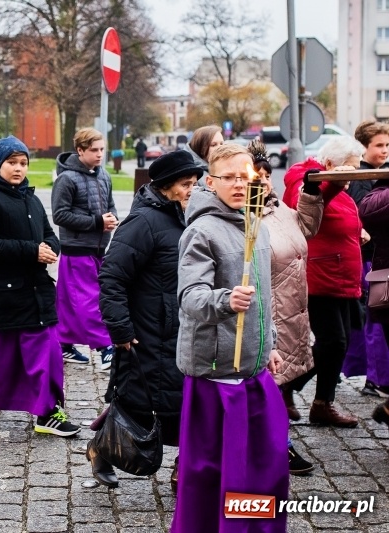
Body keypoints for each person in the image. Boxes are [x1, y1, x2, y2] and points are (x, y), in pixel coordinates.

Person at [171, 143, 288, 533]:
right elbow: (190, 297)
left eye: (245, 176)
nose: (239, 184)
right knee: (220, 471)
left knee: (265, 464)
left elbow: (264, 297)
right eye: (229, 178)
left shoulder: (258, 225)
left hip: (253, 369)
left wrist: (268, 343)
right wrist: (225, 299)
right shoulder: (201, 231)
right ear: (211, 181)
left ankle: (254, 527)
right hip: (218, 374)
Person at [94, 149, 203, 489]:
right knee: (139, 404)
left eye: (195, 183)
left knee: (183, 405)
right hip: (145, 334)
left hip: (182, 331)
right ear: (166, 186)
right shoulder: (143, 222)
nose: (192, 190)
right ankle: (102, 448)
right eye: (186, 184)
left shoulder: (189, 217)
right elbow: (112, 276)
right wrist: (121, 328)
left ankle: (183, 468)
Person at [0, 135, 80, 438]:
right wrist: (31, 250)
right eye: (12, 162)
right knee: (2, 351)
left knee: (39, 351)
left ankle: (46, 410)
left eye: (23, 163)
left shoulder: (32, 198)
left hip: (37, 289)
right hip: (6, 291)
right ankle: (41, 410)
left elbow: (50, 233)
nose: (18, 168)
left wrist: (51, 248)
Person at [249, 139, 322, 476]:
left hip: (296, 309)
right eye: (256, 175)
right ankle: (281, 446)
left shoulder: (280, 210)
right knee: (269, 385)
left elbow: (306, 228)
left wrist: (310, 194)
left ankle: (267, 441)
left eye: (267, 175)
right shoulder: (247, 218)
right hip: (272, 313)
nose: (264, 180)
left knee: (281, 381)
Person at [282, 136, 364, 428]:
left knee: (339, 342)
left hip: (341, 278)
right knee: (332, 342)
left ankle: (309, 398)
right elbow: (305, 205)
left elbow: (339, 220)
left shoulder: (340, 189)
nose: (351, 179)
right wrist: (333, 182)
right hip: (320, 277)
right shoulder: (302, 177)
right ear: (331, 165)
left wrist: (359, 232)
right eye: (349, 172)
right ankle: (295, 392)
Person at [51, 128, 117, 367]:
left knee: (69, 300)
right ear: (80, 151)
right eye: (94, 150)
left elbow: (110, 205)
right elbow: (60, 215)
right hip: (76, 249)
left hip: (99, 249)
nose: (99, 155)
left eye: (102, 149)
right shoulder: (66, 179)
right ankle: (105, 346)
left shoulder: (104, 175)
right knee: (90, 300)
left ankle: (64, 343)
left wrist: (111, 220)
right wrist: (97, 222)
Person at [343, 120, 389, 397]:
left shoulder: (379, 173)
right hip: (369, 261)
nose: (385, 150)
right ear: (364, 147)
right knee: (376, 322)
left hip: (377, 260)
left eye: (387, 145)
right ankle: (377, 377)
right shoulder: (360, 179)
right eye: (379, 145)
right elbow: (364, 215)